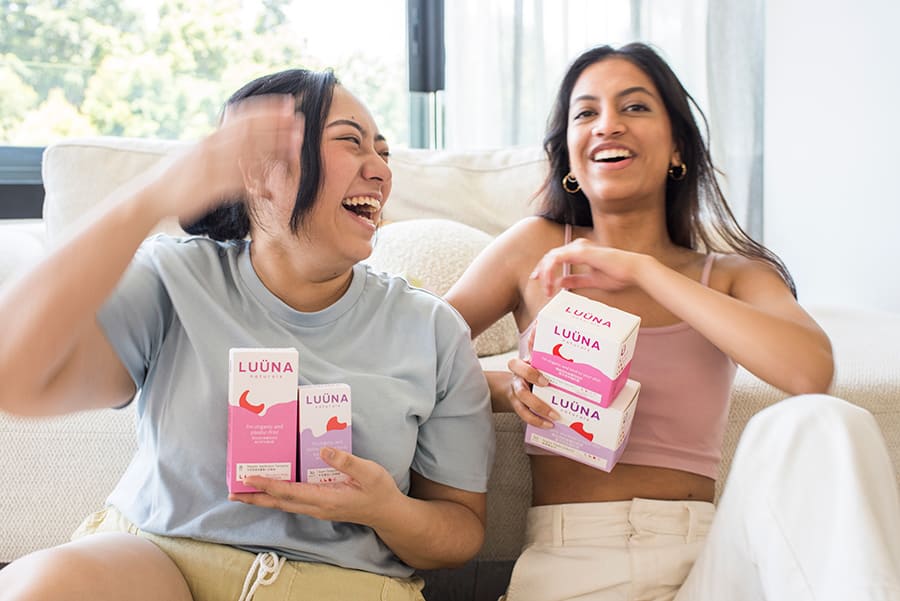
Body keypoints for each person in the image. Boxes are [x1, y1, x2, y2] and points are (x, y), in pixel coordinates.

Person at [0, 68, 495, 601]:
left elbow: (460, 532)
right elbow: (14, 376)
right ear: (261, 171)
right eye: (351, 142)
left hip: (344, 584)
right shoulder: (173, 280)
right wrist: (152, 198)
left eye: (384, 152)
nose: (379, 170)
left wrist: (383, 509)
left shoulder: (432, 328)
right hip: (161, 562)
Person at [445, 43, 900, 600]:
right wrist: (504, 386)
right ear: (568, 154)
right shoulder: (533, 250)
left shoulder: (735, 275)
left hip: (711, 563)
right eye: (586, 113)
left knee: (823, 421)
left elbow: (810, 374)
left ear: (678, 145)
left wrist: (645, 269)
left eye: (634, 107)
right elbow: (417, 354)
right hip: (573, 564)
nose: (608, 124)